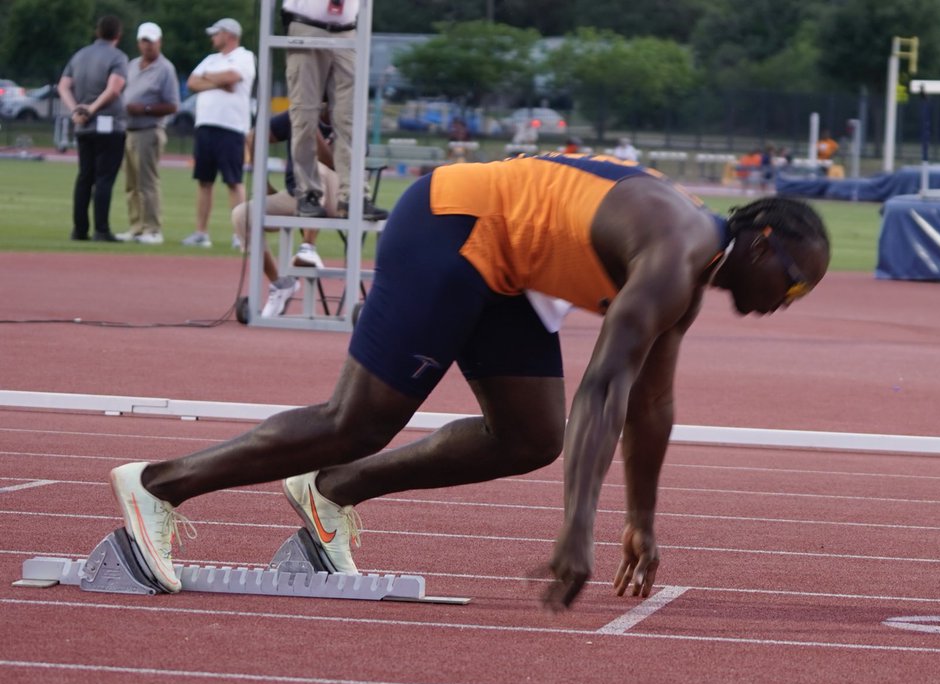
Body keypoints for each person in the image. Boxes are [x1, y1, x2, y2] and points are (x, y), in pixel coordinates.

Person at [107, 153, 829, 609]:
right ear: (763, 240)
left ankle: (333, 491)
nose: (785, 302)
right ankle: (160, 483)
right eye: (792, 284)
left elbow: (652, 405)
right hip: (452, 225)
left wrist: (638, 520)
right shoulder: (677, 252)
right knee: (357, 420)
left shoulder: (689, 277)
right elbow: (604, 389)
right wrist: (576, 530)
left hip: (509, 267)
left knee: (529, 436)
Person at [281, 0, 388, 222]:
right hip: (307, 27)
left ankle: (353, 196)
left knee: (350, 120)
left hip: (347, 31)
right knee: (305, 117)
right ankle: (308, 193)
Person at [231, 110, 339, 317]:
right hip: (295, 195)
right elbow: (253, 137)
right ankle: (281, 284)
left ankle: (308, 246)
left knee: (314, 168)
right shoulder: (297, 114)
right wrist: (263, 182)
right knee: (242, 215)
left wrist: (310, 130)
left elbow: (333, 162)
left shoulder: (347, 119)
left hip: (337, 196)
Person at [181, 18, 256, 248]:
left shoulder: (245, 56)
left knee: (233, 181)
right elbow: (192, 82)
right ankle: (201, 232)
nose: (213, 38)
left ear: (229, 34)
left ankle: (240, 234)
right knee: (204, 181)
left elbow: (232, 78)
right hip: (205, 125)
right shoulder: (211, 59)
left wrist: (209, 77)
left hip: (231, 127)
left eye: (216, 34)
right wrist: (218, 82)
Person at [57, 16, 128, 242]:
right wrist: (92, 108)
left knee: (84, 176)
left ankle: (79, 229)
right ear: (118, 35)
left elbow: (64, 86)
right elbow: (114, 89)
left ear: (97, 32)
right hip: (108, 124)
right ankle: (101, 229)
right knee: (104, 178)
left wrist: (76, 110)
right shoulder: (118, 57)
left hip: (83, 126)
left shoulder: (79, 55)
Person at [116, 22, 179, 245]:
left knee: (147, 183)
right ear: (138, 43)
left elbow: (173, 105)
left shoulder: (165, 69)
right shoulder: (132, 65)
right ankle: (136, 227)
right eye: (144, 41)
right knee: (131, 184)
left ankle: (153, 229)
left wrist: (145, 109)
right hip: (129, 130)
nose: (148, 46)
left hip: (149, 130)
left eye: (151, 42)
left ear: (159, 42)